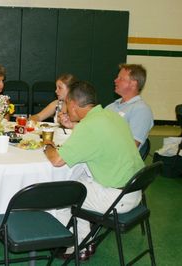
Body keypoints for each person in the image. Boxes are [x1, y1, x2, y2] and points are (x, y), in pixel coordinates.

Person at [44, 81, 144, 260]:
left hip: (116, 199)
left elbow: (57, 160)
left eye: (67, 104)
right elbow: (98, 134)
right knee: (79, 183)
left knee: (61, 193)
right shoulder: (111, 115)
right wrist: (75, 127)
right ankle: (83, 244)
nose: (66, 108)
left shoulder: (88, 127)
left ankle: (74, 245)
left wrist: (47, 145)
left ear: (73, 104)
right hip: (135, 191)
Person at [106, 64, 154, 151]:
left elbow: (130, 147)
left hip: (118, 160)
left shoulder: (141, 110)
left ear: (133, 83)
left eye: (121, 79)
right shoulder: (110, 107)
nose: (115, 80)